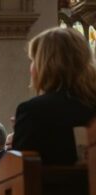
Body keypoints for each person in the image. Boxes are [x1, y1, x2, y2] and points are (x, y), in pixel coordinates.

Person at [12, 27, 96, 165]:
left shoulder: (34, 111)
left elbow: (19, 172)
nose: (31, 67)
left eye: (33, 60)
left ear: (44, 65)